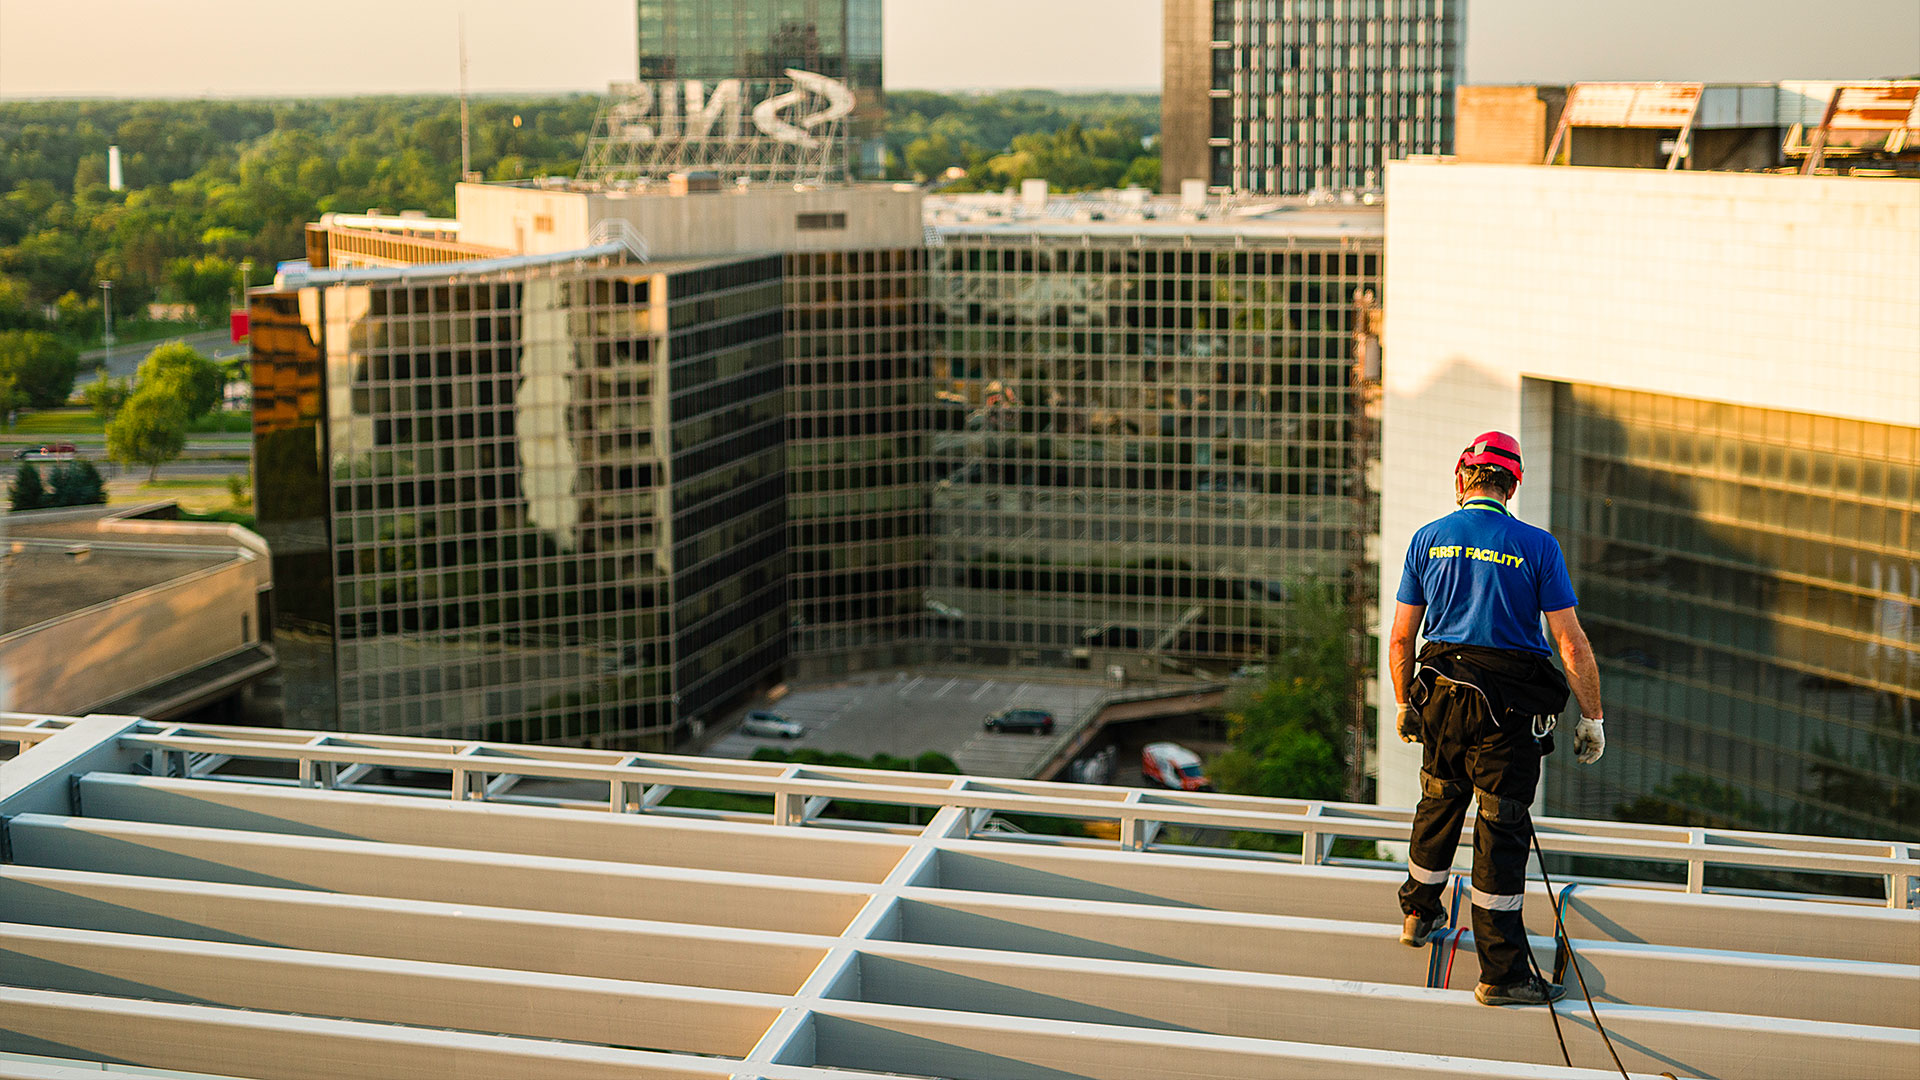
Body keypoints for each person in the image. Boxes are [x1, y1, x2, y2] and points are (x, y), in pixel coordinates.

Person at [1389, 431, 1607, 1007]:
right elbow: (1570, 644)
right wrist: (1592, 717)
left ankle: (1417, 915)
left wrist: (1405, 704)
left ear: (1463, 479)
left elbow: (1403, 636)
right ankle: (1502, 974)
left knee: (1438, 802)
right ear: (1511, 485)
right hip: (1506, 712)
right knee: (1501, 830)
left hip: (1440, 695)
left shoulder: (1428, 540)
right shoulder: (1537, 547)